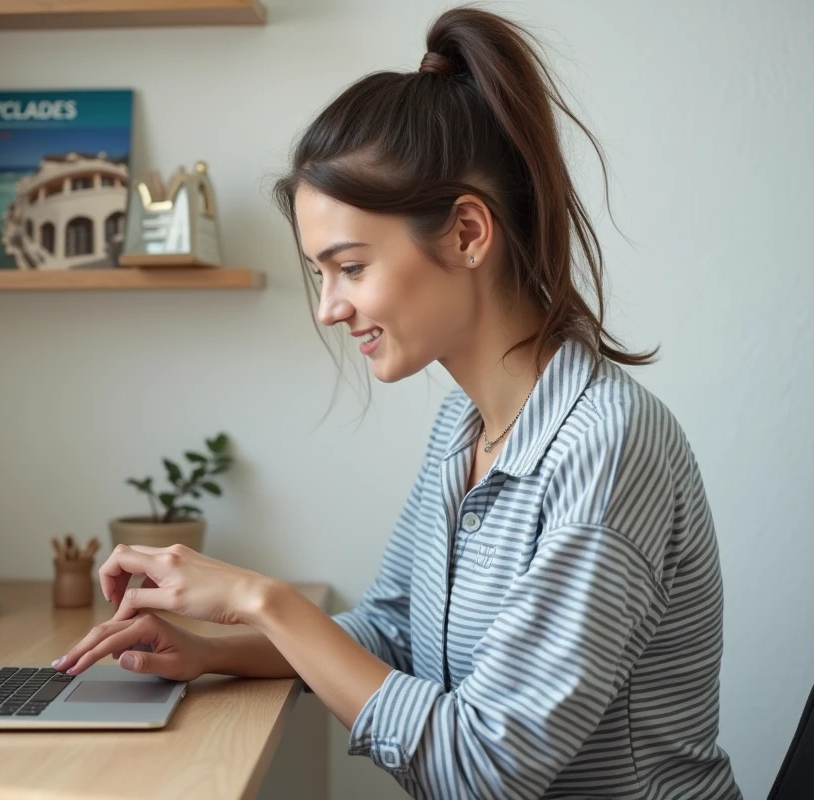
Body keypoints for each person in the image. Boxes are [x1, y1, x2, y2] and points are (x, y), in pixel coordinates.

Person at [53, 6, 741, 798]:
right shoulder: (465, 425)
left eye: (350, 267)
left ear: (467, 234)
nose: (329, 308)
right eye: (320, 274)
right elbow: (393, 631)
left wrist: (258, 598)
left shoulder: (606, 446)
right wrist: (211, 649)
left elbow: (484, 771)